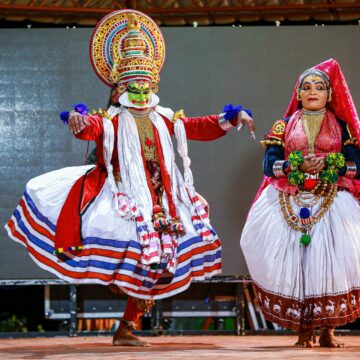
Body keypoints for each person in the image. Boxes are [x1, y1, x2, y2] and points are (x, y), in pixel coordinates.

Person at [5, 9, 255, 346]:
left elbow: (197, 126)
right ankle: (120, 298)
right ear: (121, 89)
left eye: (145, 87)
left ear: (153, 86)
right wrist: (79, 123)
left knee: (158, 265)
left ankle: (125, 327)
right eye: (132, 88)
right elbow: (91, 127)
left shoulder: (165, 119)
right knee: (131, 261)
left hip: (163, 201)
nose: (139, 94)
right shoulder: (111, 120)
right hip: (122, 197)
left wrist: (231, 117)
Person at [240, 59, 360, 348]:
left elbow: (357, 164)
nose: (312, 91)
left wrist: (332, 164)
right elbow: (269, 166)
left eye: (319, 87)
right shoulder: (284, 125)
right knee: (298, 265)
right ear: (298, 93)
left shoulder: (343, 126)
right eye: (306, 87)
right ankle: (303, 333)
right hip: (290, 197)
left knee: (331, 264)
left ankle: (328, 331)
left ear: (330, 94)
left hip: (332, 198)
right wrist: (294, 165)